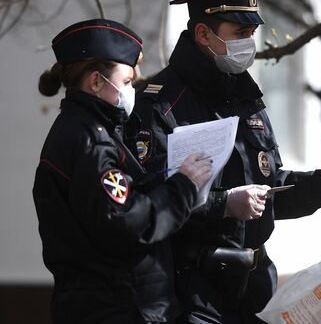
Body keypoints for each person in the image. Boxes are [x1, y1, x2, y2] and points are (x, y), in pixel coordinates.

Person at [124, 0, 321, 324]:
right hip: (189, 292)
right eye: (240, 32)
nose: (249, 42)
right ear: (203, 33)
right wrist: (224, 205)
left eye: (252, 32)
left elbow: (268, 184)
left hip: (253, 287)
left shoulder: (245, 97)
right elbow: (147, 201)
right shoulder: (161, 104)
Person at [32, 19, 213, 324]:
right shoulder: (91, 140)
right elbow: (126, 222)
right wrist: (183, 186)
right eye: (127, 81)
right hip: (116, 308)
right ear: (96, 82)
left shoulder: (91, 131)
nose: (132, 90)